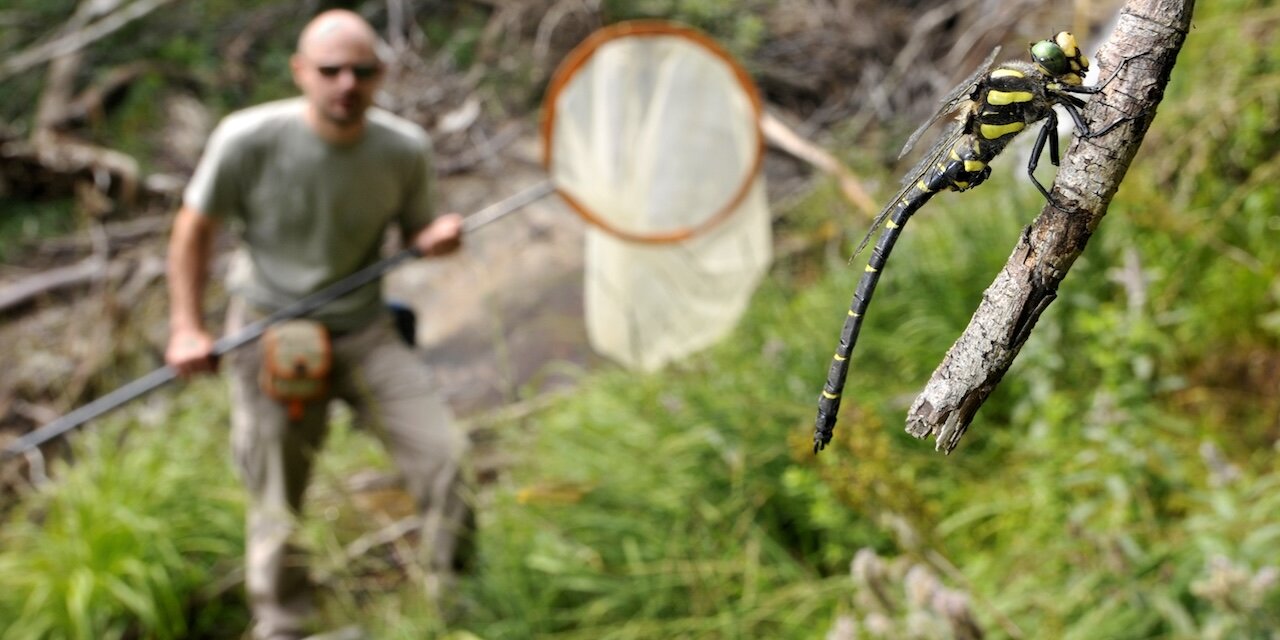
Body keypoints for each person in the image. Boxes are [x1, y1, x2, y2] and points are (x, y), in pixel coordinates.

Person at [165, 9, 471, 639]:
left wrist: (432, 239)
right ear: (300, 71)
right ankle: (284, 624)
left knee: (445, 457)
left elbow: (417, 231)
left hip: (366, 330)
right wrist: (187, 328)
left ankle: (457, 607)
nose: (346, 85)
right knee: (276, 492)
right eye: (330, 71)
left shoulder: (403, 149)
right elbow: (193, 229)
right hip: (270, 332)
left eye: (362, 71)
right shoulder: (247, 139)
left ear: (381, 75)